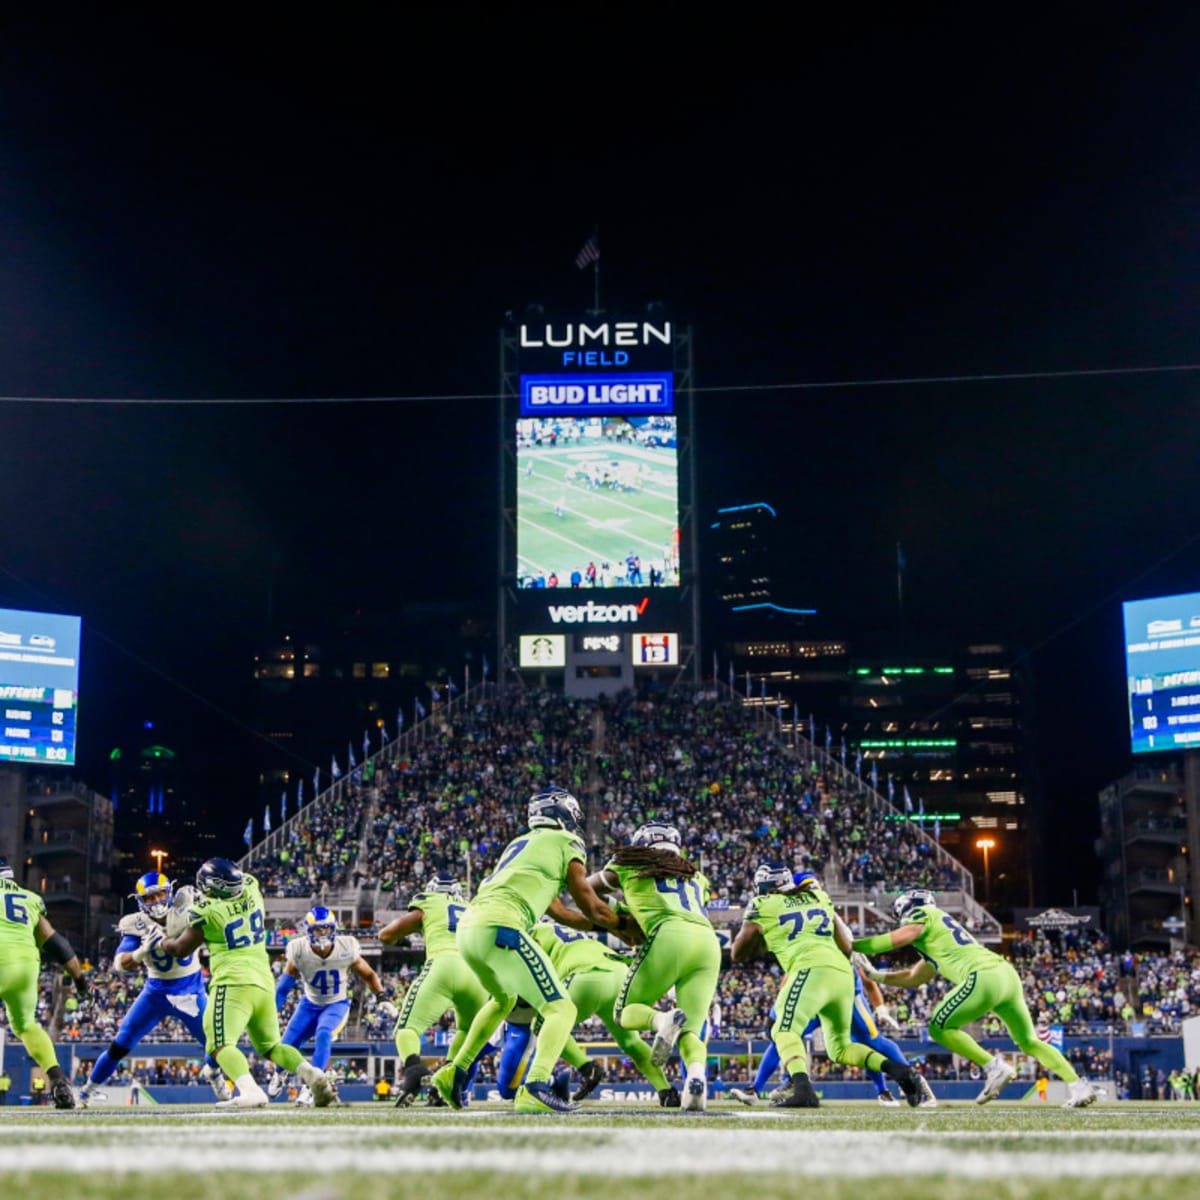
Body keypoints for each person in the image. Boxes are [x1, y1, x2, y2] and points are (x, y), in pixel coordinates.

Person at [428, 787, 623, 1114]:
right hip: (502, 926)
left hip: (470, 929)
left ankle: (454, 1072)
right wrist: (620, 925)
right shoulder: (566, 842)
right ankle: (535, 1087)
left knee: (502, 1000)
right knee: (561, 1008)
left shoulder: (521, 845)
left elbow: (560, 912)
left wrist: (601, 925)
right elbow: (589, 903)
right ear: (565, 814)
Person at [852, 887, 1104, 1108]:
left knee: (939, 1028)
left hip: (982, 976)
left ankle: (993, 1066)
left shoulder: (923, 917)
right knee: (1029, 1041)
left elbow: (897, 938)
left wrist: (854, 945)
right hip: (1005, 975)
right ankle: (1078, 1086)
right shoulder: (937, 933)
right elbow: (913, 977)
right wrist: (876, 976)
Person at [731, 864, 923, 1108]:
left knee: (782, 1030)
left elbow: (738, 953)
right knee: (840, 1049)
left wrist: (756, 930)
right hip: (843, 974)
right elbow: (845, 945)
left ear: (765, 887)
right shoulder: (818, 896)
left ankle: (803, 1090)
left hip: (810, 969)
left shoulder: (762, 904)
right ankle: (900, 1071)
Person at [158, 857, 336, 1108]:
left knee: (219, 1044)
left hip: (232, 983)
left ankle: (251, 1091)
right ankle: (312, 1074)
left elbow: (179, 948)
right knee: (272, 1047)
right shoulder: (252, 887)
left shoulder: (207, 912)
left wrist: (160, 940)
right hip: (263, 982)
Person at [587, 821, 722, 1111]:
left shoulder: (629, 864)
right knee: (693, 1028)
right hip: (708, 942)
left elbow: (587, 890)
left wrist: (620, 910)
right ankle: (696, 1077)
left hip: (669, 935)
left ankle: (663, 1020)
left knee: (624, 1013)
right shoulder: (695, 875)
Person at [79, 872, 229, 1108]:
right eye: (149, 898)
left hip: (190, 988)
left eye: (160, 894)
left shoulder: (188, 909)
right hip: (155, 992)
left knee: (218, 1041)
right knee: (120, 1044)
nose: (157, 901)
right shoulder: (136, 923)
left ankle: (214, 1073)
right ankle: (87, 1092)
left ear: (170, 893)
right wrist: (140, 952)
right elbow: (120, 964)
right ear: (140, 901)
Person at [529, 918, 679, 1105]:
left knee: (541, 1024)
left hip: (585, 976)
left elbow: (531, 965)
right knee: (631, 1041)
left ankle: (586, 1068)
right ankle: (666, 1091)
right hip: (619, 975)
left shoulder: (532, 931)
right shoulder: (564, 932)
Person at [377, 873, 486, 1106]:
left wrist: (405, 941)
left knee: (407, 1028)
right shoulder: (472, 908)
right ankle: (444, 1083)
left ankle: (414, 1071)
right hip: (476, 974)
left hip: (443, 965)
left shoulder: (429, 902)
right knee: (466, 1031)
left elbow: (386, 934)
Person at [267, 906, 392, 1105]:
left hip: (336, 1004)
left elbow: (368, 974)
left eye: (326, 928)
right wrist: (272, 1010)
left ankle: (311, 1087)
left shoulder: (346, 947)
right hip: (309, 1004)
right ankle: (280, 1073)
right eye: (318, 929)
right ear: (309, 930)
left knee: (324, 1033)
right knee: (286, 1044)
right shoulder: (298, 949)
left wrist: (382, 996)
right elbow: (283, 988)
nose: (323, 933)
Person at [0, 855, 86, 1108]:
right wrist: (80, 981)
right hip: (26, 966)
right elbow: (60, 946)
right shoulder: (29, 899)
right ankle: (58, 1079)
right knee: (26, 1026)